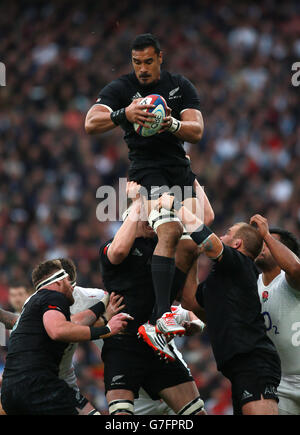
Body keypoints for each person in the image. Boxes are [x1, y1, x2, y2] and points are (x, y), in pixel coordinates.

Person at [85, 33, 205, 337]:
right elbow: (91, 122)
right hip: (147, 170)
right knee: (170, 229)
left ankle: (178, 303)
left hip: (178, 166)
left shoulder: (180, 86)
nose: (142, 68)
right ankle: (160, 316)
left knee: (198, 232)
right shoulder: (122, 88)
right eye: (137, 62)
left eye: (148, 61)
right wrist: (123, 113)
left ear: (160, 58)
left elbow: (198, 129)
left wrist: (174, 124)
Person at [155, 192, 281, 415]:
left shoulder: (240, 263)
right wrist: (191, 253)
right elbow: (190, 300)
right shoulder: (220, 278)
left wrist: (176, 207)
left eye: (227, 234)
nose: (222, 236)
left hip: (254, 361)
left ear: (238, 243)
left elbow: (210, 243)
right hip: (238, 365)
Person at [99, 195, 206, 416]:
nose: (152, 220)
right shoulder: (114, 247)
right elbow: (118, 251)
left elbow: (187, 301)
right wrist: (139, 201)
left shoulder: (164, 251)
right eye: (145, 215)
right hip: (123, 343)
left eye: (154, 216)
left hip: (157, 345)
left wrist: (195, 325)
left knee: (197, 413)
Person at [0, 259, 131, 415]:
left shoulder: (34, 303)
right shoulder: (53, 297)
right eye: (68, 282)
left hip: (14, 386)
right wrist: (106, 326)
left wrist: (103, 304)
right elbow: (61, 329)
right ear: (60, 282)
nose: (71, 287)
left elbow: (19, 323)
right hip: (42, 382)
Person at [251, 214, 300, 415]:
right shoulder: (252, 285)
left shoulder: (290, 282)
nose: (262, 246)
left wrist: (266, 235)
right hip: (279, 382)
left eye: (268, 243)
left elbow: (296, 269)